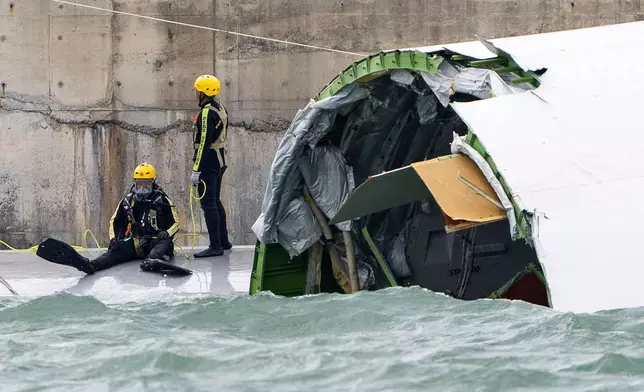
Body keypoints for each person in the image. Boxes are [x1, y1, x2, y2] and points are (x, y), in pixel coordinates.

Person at [36, 163, 190, 276]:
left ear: (153, 183)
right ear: (135, 184)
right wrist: (114, 239)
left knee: (163, 244)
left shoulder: (162, 200)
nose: (142, 189)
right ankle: (90, 265)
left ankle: (152, 261)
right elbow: (114, 221)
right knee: (114, 252)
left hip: (155, 241)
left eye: (146, 185)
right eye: (139, 185)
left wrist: (167, 233)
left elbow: (176, 222)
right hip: (136, 242)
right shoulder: (128, 201)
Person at [190, 74, 232, 257]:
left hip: (209, 162)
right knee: (215, 201)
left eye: (198, 91)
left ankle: (215, 246)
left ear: (204, 92)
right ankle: (224, 241)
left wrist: (196, 170)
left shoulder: (207, 113)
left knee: (208, 204)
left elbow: (205, 143)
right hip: (220, 159)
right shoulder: (220, 108)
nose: (196, 93)